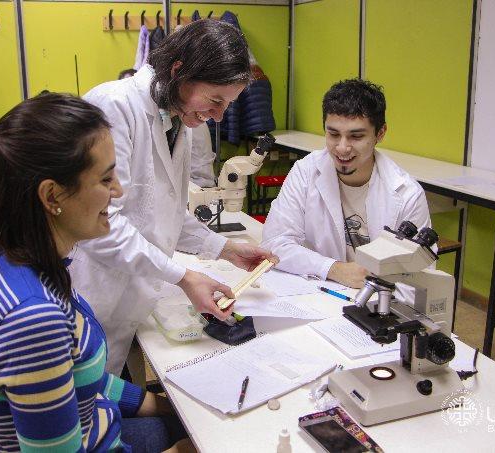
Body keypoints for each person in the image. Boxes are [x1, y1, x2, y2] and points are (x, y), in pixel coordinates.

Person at [0, 94, 192, 453]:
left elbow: (83, 377)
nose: (118, 192)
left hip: (93, 423)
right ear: (52, 196)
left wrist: (163, 407)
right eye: (106, 179)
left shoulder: (2, 251)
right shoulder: (33, 316)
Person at [71, 19, 277, 374]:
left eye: (227, 105)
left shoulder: (178, 118)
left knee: (111, 391)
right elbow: (100, 222)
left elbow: (165, 211)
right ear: (179, 70)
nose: (218, 116)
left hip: (131, 293)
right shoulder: (114, 107)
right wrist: (184, 277)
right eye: (215, 100)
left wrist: (226, 248)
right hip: (94, 290)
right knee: (82, 408)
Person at [261, 79, 431, 288]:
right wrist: (334, 269)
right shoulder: (306, 172)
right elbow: (274, 244)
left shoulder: (407, 193)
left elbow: (419, 276)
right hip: (319, 292)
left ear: (380, 133)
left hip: (378, 301)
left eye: (356, 136)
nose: (342, 148)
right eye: (333, 134)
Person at [118, 67, 216, 188]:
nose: (218, 116)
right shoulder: (120, 107)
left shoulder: (191, 119)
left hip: (196, 190)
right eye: (216, 100)